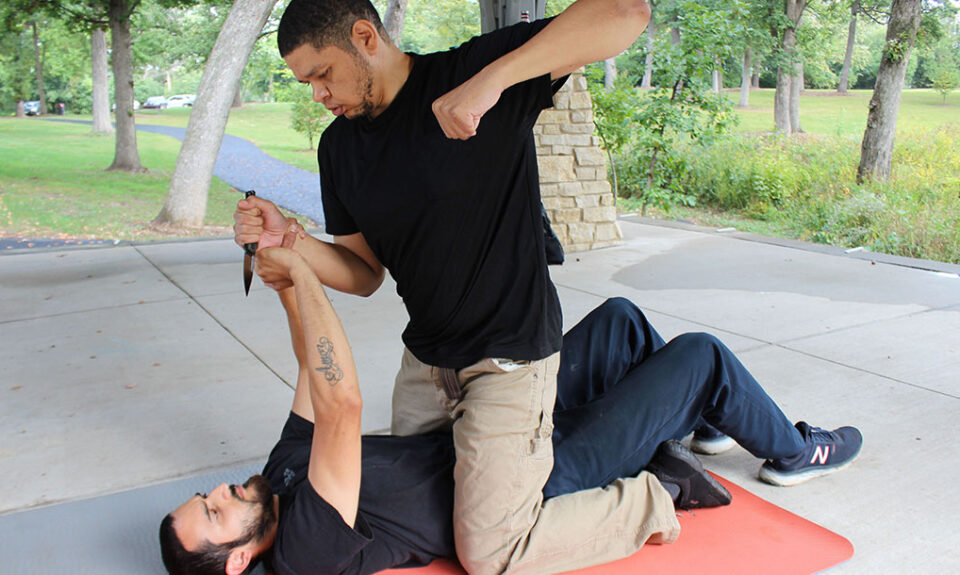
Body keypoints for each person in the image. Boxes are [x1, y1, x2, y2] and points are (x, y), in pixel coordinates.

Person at [233, 1, 661, 572]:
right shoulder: (340, 147)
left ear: (365, 37)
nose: (318, 95)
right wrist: (291, 240)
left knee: (487, 553)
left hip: (508, 355)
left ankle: (654, 498)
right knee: (427, 511)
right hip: (428, 365)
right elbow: (363, 274)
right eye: (307, 82)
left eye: (322, 75)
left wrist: (493, 81)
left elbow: (626, 13)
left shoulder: (468, 74)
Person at [159, 247, 863, 575]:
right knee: (700, 354)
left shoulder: (276, 477)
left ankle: (697, 419)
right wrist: (309, 273)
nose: (221, 492)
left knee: (618, 319)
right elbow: (343, 402)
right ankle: (795, 452)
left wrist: (283, 278)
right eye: (216, 514)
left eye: (205, 496)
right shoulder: (306, 548)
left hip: (493, 425)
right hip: (535, 477)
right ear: (238, 561)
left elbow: (313, 383)